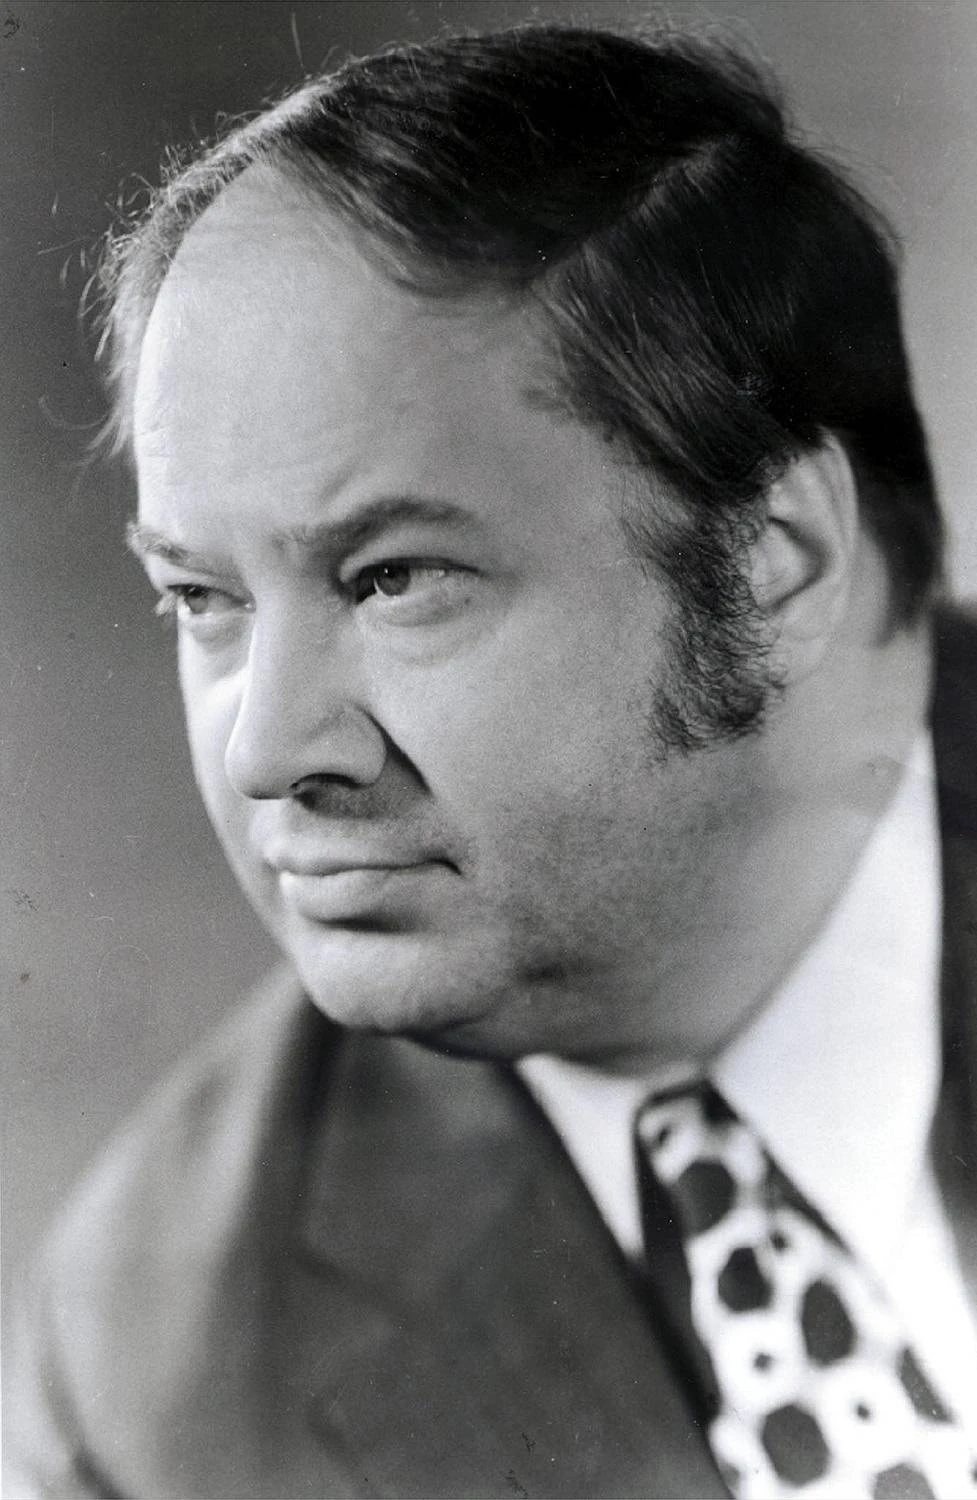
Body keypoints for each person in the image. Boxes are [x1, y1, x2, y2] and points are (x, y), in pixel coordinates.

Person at [8, 21, 977, 1500]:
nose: (268, 751)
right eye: (202, 600)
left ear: (776, 561)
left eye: (394, 579)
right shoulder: (150, 1376)